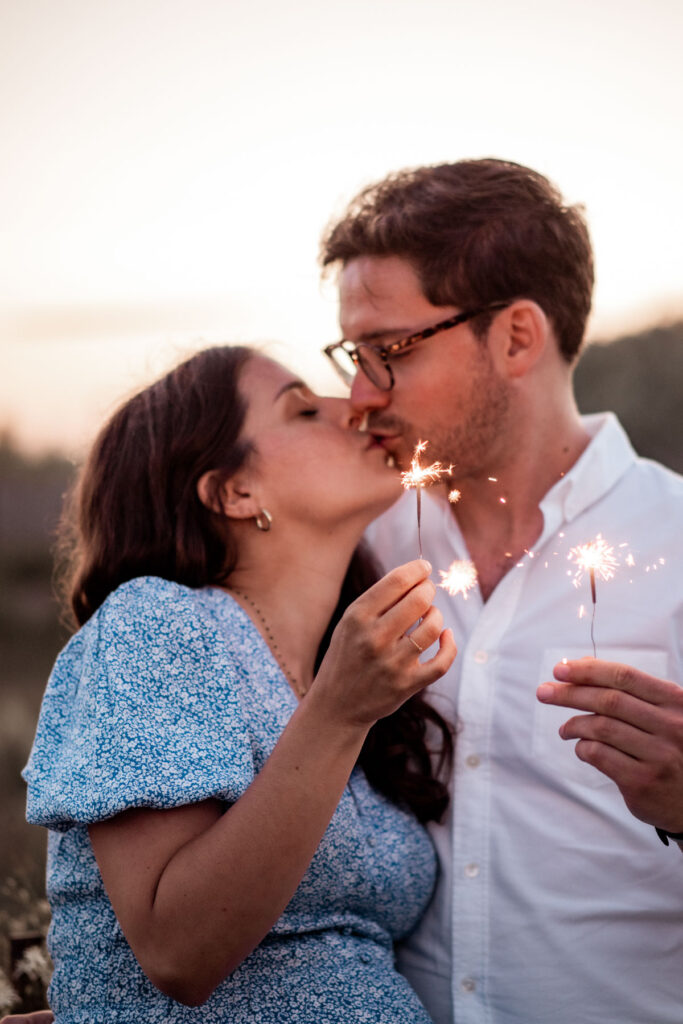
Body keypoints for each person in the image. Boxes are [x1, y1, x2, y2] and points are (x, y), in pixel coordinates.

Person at [320, 159, 683, 1024]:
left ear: (517, 337)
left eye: (389, 353)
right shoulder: (351, 547)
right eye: (349, 355)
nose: (358, 397)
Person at [19, 345, 458, 1023]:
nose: (356, 408)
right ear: (233, 491)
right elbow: (177, 952)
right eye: (305, 409)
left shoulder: (332, 671)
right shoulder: (154, 623)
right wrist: (337, 714)